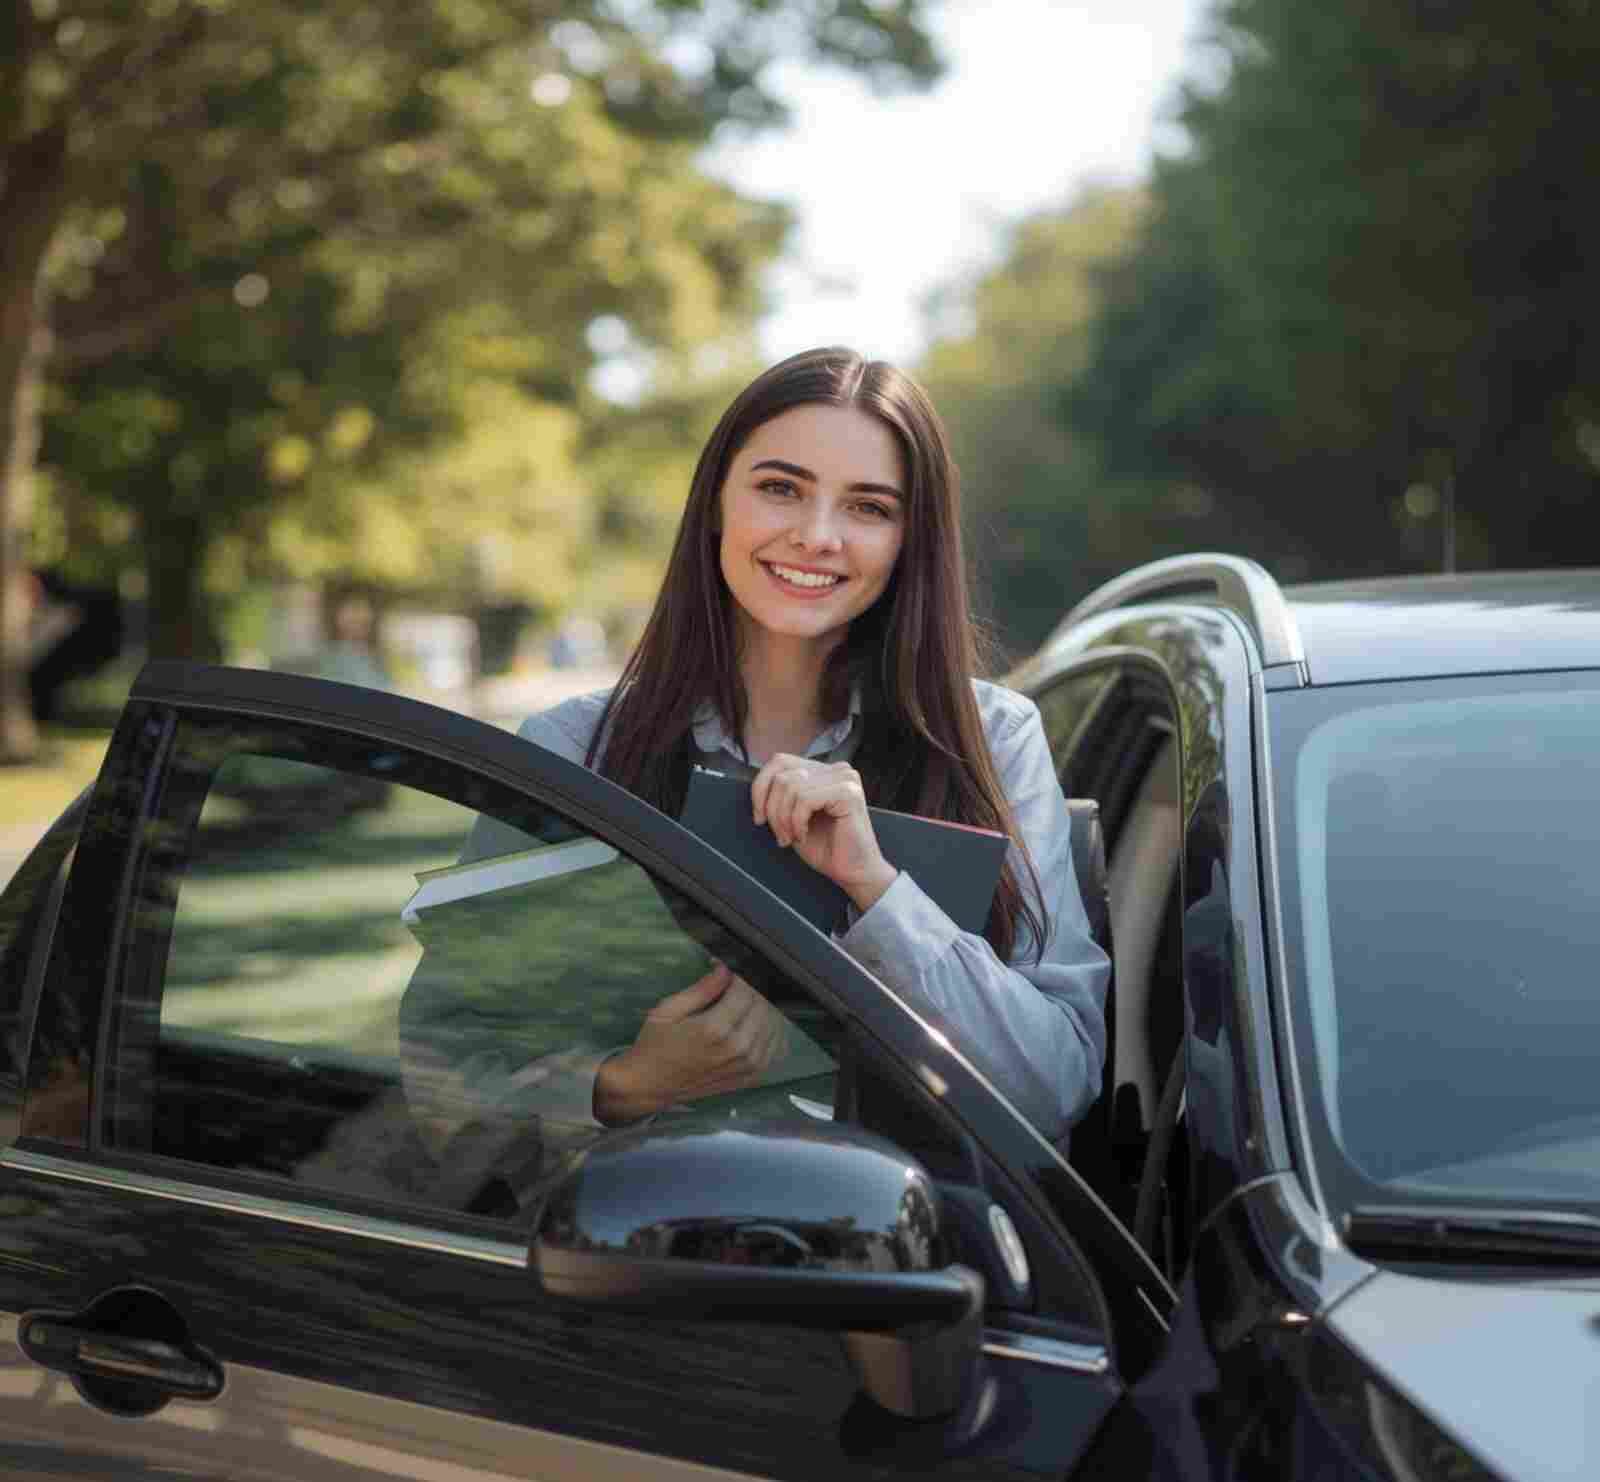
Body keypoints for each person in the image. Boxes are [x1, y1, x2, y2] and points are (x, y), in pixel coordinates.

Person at [399, 346, 1110, 1200]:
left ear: (909, 540)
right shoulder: (574, 748)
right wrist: (623, 1087)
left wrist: (879, 891)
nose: (817, 535)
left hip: (918, 1260)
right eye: (780, 488)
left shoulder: (991, 741)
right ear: (716, 503)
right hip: (632, 1249)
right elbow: (442, 1069)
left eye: (868, 507)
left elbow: (1054, 1084)